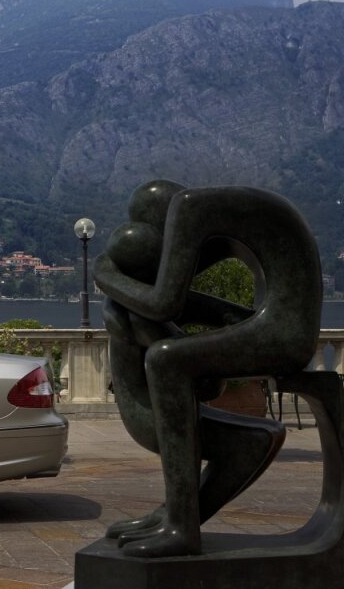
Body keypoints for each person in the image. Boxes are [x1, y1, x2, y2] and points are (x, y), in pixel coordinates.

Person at [94, 180, 322, 557]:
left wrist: (106, 275)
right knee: (149, 334)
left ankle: (181, 528)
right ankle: (183, 504)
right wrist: (123, 301)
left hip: (284, 333)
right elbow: (173, 299)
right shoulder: (212, 209)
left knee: (166, 359)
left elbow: (164, 303)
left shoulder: (188, 209)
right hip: (274, 321)